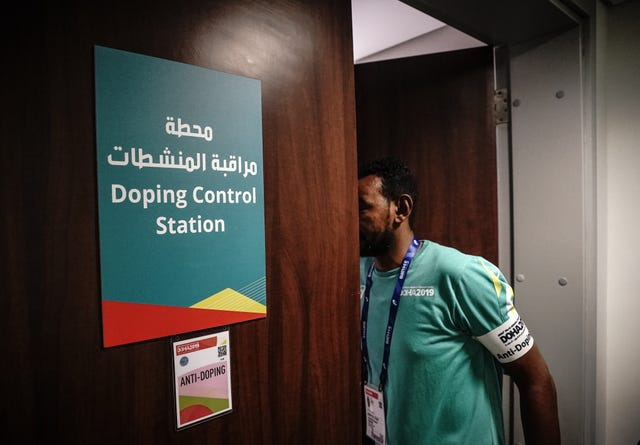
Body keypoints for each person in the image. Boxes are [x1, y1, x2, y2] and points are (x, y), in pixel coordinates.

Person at [358, 157, 560, 445]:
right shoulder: (362, 274)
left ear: (400, 209)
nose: (349, 217)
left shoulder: (460, 275)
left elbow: (536, 381)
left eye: (362, 207)